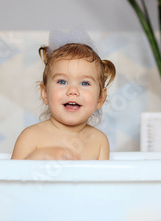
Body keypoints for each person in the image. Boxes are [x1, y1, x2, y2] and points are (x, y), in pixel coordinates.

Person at [11, 30, 116, 160]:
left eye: (84, 83)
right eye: (62, 81)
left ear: (100, 98)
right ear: (45, 93)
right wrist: (40, 156)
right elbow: (16, 178)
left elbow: (103, 180)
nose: (73, 90)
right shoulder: (31, 137)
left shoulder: (99, 141)